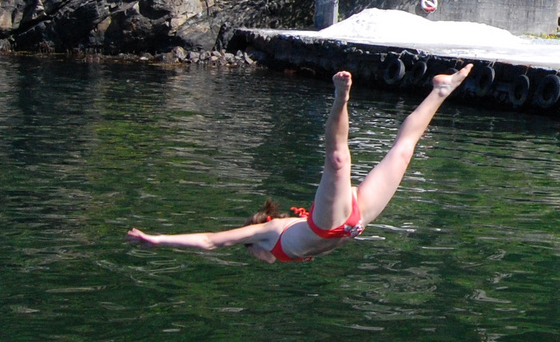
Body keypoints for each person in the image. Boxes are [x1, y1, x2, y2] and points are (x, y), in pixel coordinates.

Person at [127, 65, 472, 263]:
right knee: (403, 151)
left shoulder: (266, 235)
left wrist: (158, 240)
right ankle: (440, 91)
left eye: (252, 254)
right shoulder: (287, 242)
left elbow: (211, 241)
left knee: (338, 160)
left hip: (333, 221)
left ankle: (340, 96)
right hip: (356, 219)